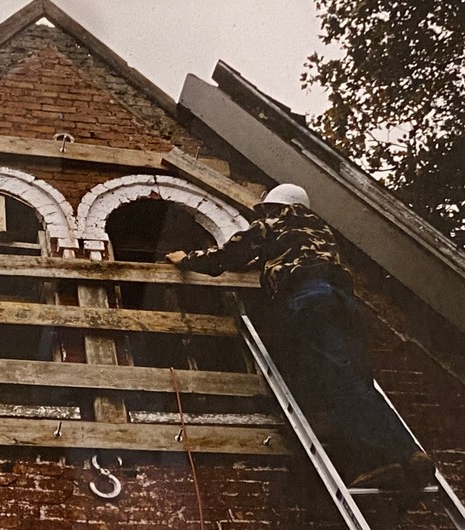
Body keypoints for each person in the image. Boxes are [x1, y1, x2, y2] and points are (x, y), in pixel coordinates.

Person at [165, 183, 435, 489]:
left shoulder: (271, 225)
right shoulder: (319, 230)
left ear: (275, 208)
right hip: (344, 303)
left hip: (308, 300)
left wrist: (186, 258)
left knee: (333, 377)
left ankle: (384, 456)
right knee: (355, 378)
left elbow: (228, 255)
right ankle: (408, 456)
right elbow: (295, 253)